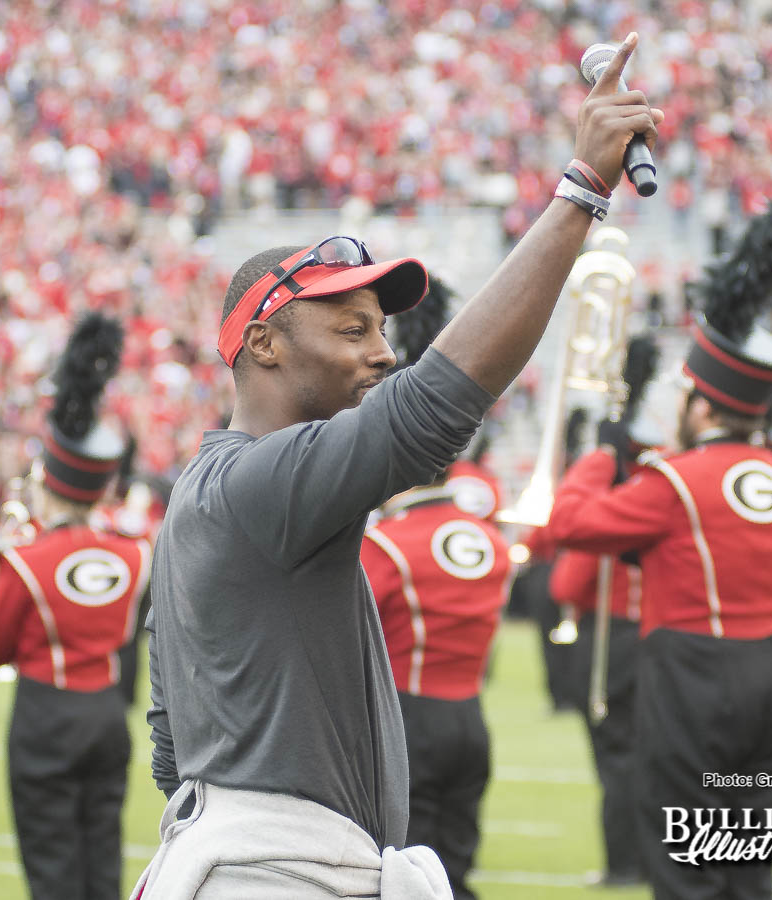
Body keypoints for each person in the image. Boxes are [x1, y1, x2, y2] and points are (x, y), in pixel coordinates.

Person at [134, 33, 662, 900]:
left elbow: (168, 744)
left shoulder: (213, 492)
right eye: (352, 329)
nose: (383, 354)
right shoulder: (257, 486)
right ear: (262, 344)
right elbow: (428, 412)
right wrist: (582, 192)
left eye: (383, 330)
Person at [548, 203, 772, 900]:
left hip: (693, 673)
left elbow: (571, 525)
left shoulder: (674, 480)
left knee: (684, 861)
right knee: (750, 860)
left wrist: (602, 455)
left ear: (702, 404)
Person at [0, 313, 152, 900]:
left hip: (46, 717)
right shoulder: (135, 555)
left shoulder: (27, 559)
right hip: (107, 714)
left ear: (50, 477)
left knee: (54, 868)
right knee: (101, 861)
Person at [360, 472, 510, 900]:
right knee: (455, 866)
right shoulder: (488, 536)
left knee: (404, 869)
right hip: (470, 713)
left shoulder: (388, 541)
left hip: (406, 717)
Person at [547, 333, 662, 888]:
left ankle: (624, 863)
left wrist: (598, 465)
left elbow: (568, 578)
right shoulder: (661, 487)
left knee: (616, 757)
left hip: (612, 639)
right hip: (659, 638)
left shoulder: (619, 498)